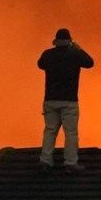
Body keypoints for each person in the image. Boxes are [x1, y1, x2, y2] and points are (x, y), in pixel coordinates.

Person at [37, 28, 95, 169]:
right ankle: (70, 162)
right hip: (69, 100)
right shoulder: (75, 55)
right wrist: (79, 49)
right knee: (70, 133)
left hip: (50, 99)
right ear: (69, 42)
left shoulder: (48, 55)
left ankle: (46, 160)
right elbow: (90, 63)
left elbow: (40, 64)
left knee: (50, 131)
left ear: (55, 42)